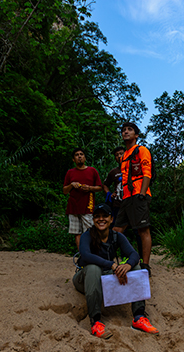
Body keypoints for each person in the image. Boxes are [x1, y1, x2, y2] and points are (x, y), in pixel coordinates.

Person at [73, 203, 159, 339]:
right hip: (85, 278)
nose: (101, 219)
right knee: (94, 268)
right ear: (93, 220)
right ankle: (95, 322)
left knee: (136, 267)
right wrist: (111, 264)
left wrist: (128, 265)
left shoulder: (116, 236)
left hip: (105, 278)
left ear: (111, 219)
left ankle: (139, 317)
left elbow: (134, 254)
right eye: (97, 217)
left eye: (105, 216)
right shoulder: (87, 235)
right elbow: (85, 255)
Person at [112, 122, 153, 276]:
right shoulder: (124, 158)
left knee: (143, 230)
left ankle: (146, 265)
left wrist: (142, 194)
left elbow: (146, 173)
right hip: (127, 198)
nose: (126, 132)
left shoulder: (141, 150)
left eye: (130, 130)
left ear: (136, 135)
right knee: (117, 230)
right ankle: (115, 260)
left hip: (138, 195)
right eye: (123, 130)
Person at [63, 148, 103, 250]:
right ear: (73, 159)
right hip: (73, 207)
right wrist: (71, 185)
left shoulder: (92, 171)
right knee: (77, 233)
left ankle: (92, 254)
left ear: (85, 158)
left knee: (90, 232)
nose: (79, 156)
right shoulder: (70, 172)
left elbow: (100, 187)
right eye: (77, 155)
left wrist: (89, 188)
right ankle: (82, 255)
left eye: (81, 154)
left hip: (88, 207)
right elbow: (64, 191)